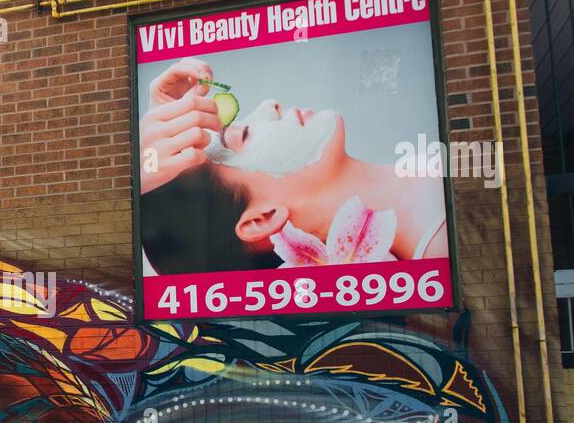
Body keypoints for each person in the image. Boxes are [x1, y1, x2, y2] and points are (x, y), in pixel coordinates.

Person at [138, 58, 448, 272]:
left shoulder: (441, 180)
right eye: (242, 134)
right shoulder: (449, 245)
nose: (269, 105)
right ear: (263, 218)